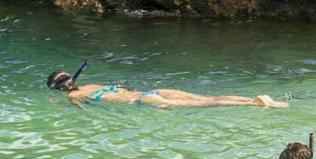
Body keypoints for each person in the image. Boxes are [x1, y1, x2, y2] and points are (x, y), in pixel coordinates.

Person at [47, 68, 288, 108]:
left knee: (205, 105)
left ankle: (254, 104)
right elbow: (119, 86)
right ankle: (252, 99)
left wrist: (60, 102)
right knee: (206, 97)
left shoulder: (75, 96)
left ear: (59, 88)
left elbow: (80, 110)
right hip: (150, 92)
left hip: (142, 102)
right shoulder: (90, 85)